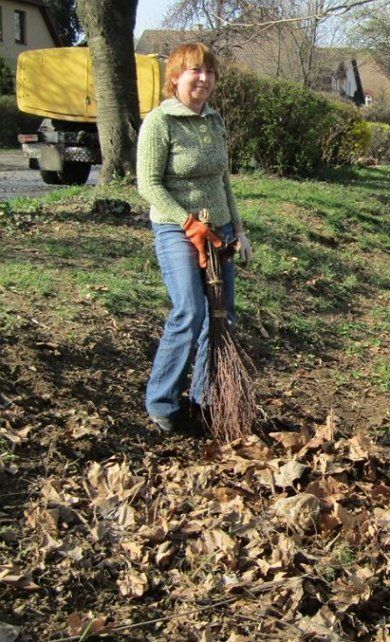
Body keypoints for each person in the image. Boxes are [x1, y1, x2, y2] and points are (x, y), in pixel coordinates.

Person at [137, 42, 253, 434]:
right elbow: (148, 185)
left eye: (209, 72)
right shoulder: (160, 122)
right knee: (190, 312)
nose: (203, 78)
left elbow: (224, 181)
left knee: (223, 317)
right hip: (176, 229)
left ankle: (204, 400)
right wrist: (187, 223)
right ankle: (162, 403)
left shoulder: (214, 121)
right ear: (175, 77)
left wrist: (238, 230)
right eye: (194, 71)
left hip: (218, 231)